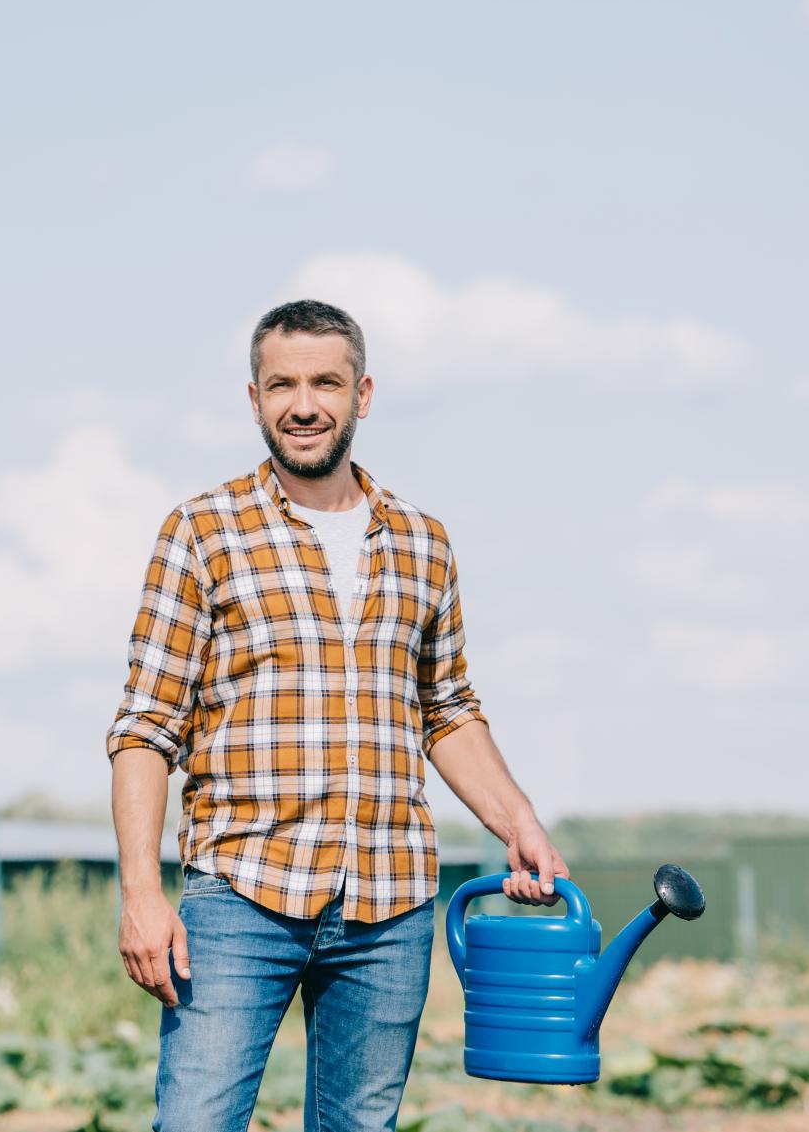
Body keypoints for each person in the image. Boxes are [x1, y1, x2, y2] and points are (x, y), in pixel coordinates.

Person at [107, 299, 569, 1132]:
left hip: (389, 902)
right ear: (254, 399)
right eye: (281, 383)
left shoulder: (423, 542)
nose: (304, 402)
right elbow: (146, 727)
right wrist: (142, 891)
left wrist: (518, 818)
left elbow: (448, 709)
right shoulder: (202, 531)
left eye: (325, 380)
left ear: (363, 393)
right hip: (240, 893)